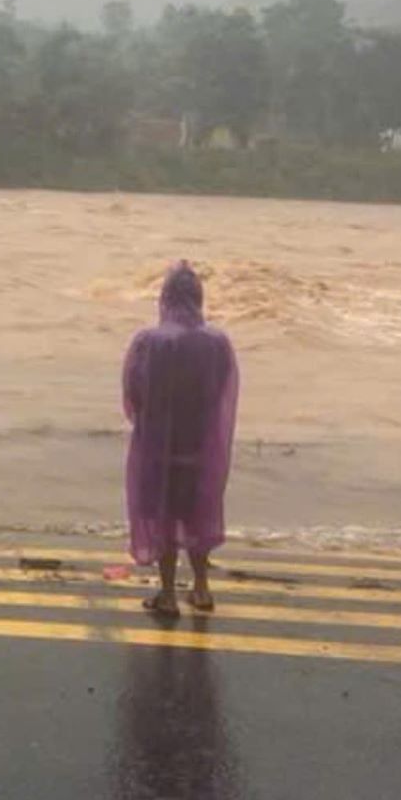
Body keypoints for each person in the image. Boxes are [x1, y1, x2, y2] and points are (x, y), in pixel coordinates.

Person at [122, 261, 240, 618]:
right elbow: (223, 391)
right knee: (196, 517)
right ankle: (202, 588)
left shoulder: (148, 342)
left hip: (158, 447)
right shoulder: (218, 343)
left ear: (165, 297)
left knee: (162, 516)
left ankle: (168, 593)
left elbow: (133, 395)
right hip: (199, 445)